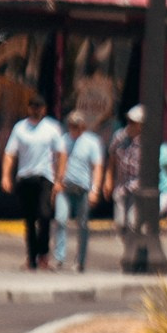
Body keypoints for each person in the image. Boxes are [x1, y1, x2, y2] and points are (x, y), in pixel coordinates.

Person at [2, 104, 67, 273]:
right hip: (25, 177)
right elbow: (10, 153)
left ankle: (43, 254)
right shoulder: (20, 128)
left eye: (39, 107)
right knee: (29, 220)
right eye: (33, 107)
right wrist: (5, 176)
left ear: (44, 109)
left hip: (44, 178)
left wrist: (59, 179)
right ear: (29, 108)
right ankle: (31, 259)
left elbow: (61, 153)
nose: (36, 110)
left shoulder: (52, 128)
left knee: (45, 215)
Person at [55, 113, 107, 274]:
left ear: (83, 126)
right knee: (60, 219)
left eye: (76, 125)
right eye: (71, 125)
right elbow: (58, 161)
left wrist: (95, 189)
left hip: (83, 188)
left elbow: (97, 166)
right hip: (65, 186)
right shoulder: (64, 140)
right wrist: (57, 182)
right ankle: (59, 257)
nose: (73, 128)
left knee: (83, 224)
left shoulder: (92, 142)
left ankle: (81, 260)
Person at [104, 106, 144, 267]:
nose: (130, 124)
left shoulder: (147, 141)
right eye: (129, 120)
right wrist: (108, 180)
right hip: (121, 185)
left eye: (134, 122)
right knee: (120, 224)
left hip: (137, 187)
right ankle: (130, 250)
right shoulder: (119, 136)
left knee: (133, 223)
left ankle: (132, 255)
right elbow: (112, 159)